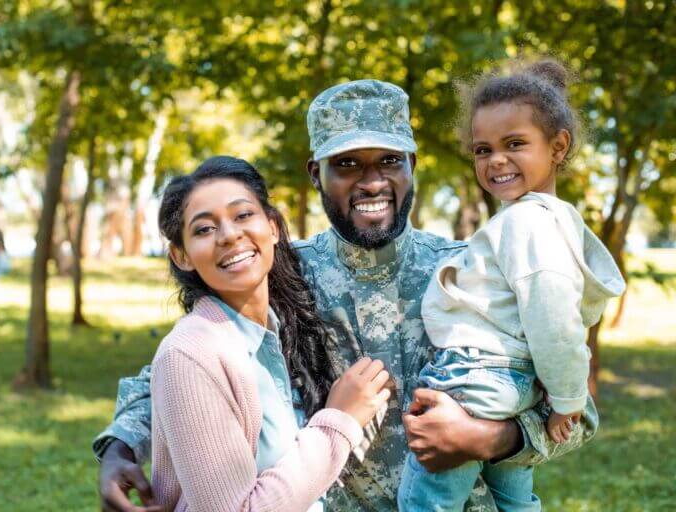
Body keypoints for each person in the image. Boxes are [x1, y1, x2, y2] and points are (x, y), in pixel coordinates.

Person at [94, 79, 599, 512]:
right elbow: (185, 367)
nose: (372, 180)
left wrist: (489, 438)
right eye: (349, 163)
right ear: (317, 174)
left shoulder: (472, 270)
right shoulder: (279, 273)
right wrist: (120, 446)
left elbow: (578, 413)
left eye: (389, 161)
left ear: (412, 166)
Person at [397, 60, 625, 511]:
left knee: (426, 501)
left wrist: (567, 401)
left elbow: (555, 322)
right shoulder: (549, 221)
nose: (496, 160)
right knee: (516, 501)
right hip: (514, 384)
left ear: (558, 146)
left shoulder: (527, 224)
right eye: (483, 150)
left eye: (515, 144)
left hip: (475, 377)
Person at [147, 156, 391, 510]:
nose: (229, 236)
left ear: (273, 227)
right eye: (204, 229)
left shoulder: (279, 326)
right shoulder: (190, 354)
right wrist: (341, 421)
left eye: (243, 215)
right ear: (181, 256)